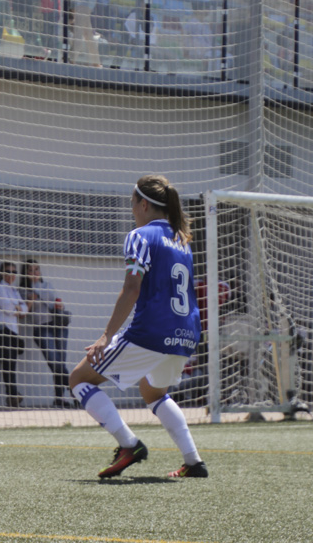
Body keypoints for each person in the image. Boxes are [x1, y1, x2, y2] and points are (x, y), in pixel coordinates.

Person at [68, 175, 207, 479]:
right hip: (186, 333)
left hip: (151, 332)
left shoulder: (140, 236)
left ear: (143, 204)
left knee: (79, 378)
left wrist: (106, 336)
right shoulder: (181, 239)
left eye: (132, 203)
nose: (131, 209)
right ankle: (193, 461)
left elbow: (132, 288)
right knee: (153, 391)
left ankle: (129, 444)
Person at [20, 259, 73, 408]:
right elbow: (26, 310)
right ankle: (75, 390)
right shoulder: (23, 290)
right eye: (30, 270)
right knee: (54, 362)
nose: (34, 273)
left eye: (36, 269)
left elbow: (53, 300)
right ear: (25, 273)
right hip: (41, 327)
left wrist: (59, 305)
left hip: (58, 325)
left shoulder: (47, 285)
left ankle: (60, 399)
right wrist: (30, 299)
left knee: (60, 362)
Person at [0, 261, 28, 408]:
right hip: (0, 329)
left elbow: (25, 309)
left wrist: (18, 308)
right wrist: (17, 308)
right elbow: (8, 308)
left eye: (14, 271)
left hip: (11, 332)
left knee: (11, 363)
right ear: (2, 273)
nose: (12, 274)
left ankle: (12, 395)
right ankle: (12, 395)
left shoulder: (14, 290)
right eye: (8, 271)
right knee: (8, 362)